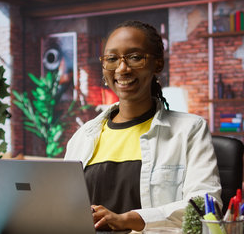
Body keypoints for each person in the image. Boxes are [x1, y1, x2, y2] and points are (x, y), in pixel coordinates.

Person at [64, 20, 221, 232]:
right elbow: (64, 209)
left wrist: (129, 219)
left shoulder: (190, 130)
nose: (122, 68)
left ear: (157, 64)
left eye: (135, 57)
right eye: (112, 59)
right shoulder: (82, 137)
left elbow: (205, 206)